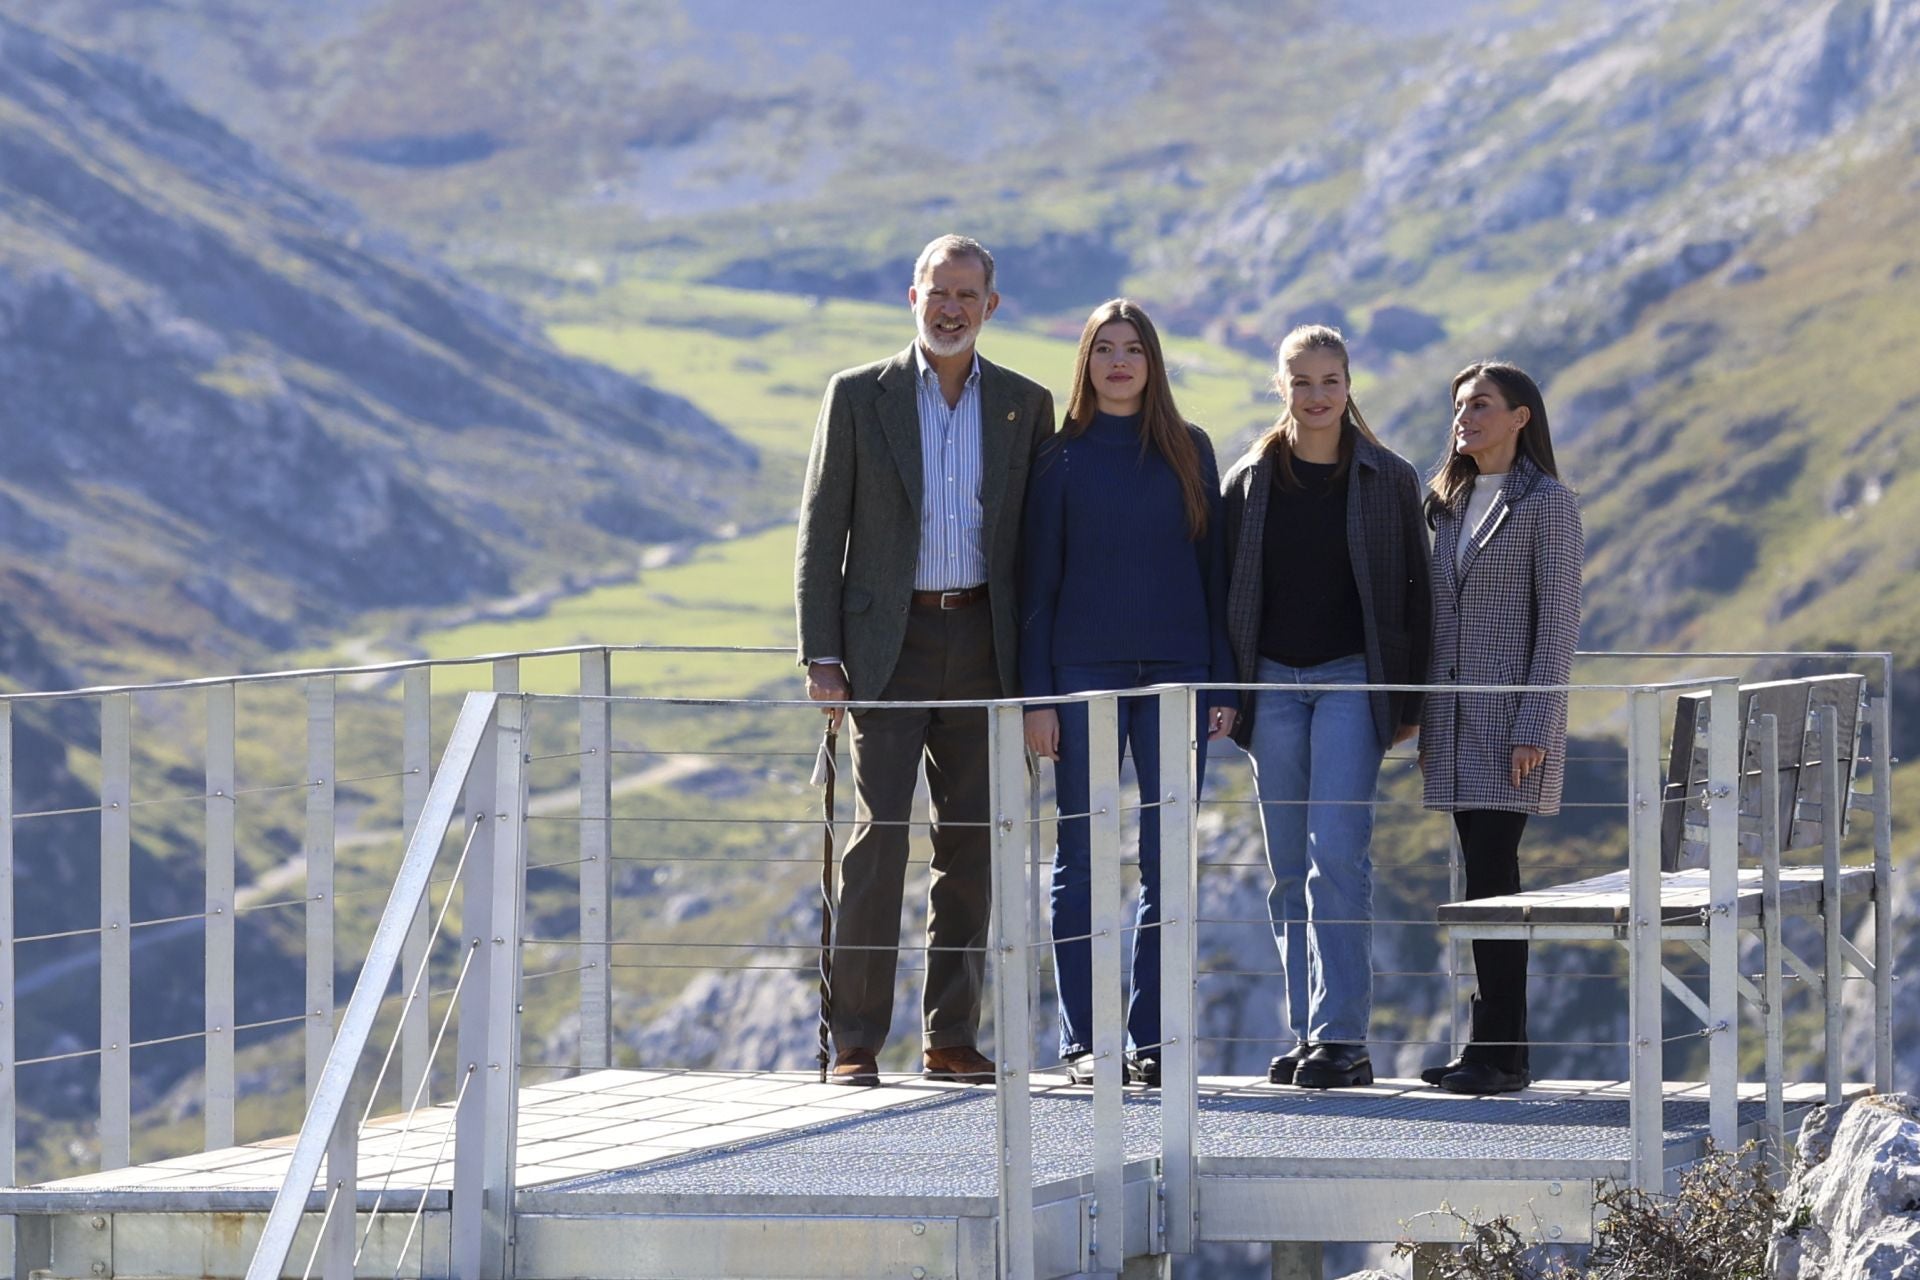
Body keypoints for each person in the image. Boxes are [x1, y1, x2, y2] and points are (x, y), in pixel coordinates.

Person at [795, 234, 1057, 1087]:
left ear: (992, 306)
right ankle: (855, 1045)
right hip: (885, 647)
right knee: (877, 843)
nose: (951, 308)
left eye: (967, 295)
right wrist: (822, 654)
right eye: (937, 292)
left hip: (986, 644)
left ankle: (951, 1041)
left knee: (973, 846)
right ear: (912, 296)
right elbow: (819, 530)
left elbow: (1037, 545)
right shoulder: (856, 396)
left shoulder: (1025, 404)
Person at [1019, 298, 1236, 1088]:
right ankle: (1085, 1045)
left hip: (1179, 676)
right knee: (1081, 857)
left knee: (1166, 862)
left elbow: (1213, 575)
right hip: (1081, 678)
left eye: (1133, 348)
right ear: (1085, 361)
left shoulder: (1191, 450)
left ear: (1153, 363)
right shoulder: (1058, 457)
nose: (1118, 362)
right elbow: (1036, 584)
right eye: (1104, 348)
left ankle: (1151, 1040)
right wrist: (1036, 697)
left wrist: (1220, 681)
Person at [1221, 325, 1432, 1091]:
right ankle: (1306, 1031)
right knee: (1286, 867)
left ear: (1349, 386)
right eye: (1301, 381)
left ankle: (1345, 1039)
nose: (1316, 396)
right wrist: (1227, 695)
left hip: (1354, 681)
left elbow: (1419, 592)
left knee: (1335, 856)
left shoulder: (1390, 478)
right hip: (1270, 685)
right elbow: (1225, 600)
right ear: (1281, 387)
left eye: (1329, 381)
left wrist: (1409, 700)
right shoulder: (1248, 479)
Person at [1418, 360, 1583, 1095]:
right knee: (1484, 878)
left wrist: (1535, 724)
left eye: (1481, 405)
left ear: (1521, 417)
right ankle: (1493, 1049)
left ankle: (1500, 1052)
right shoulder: (1447, 501)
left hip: (1510, 725)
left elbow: (1558, 625)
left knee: (1494, 878)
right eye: (1459, 405)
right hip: (1451, 723)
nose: (1465, 417)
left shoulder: (1547, 503)